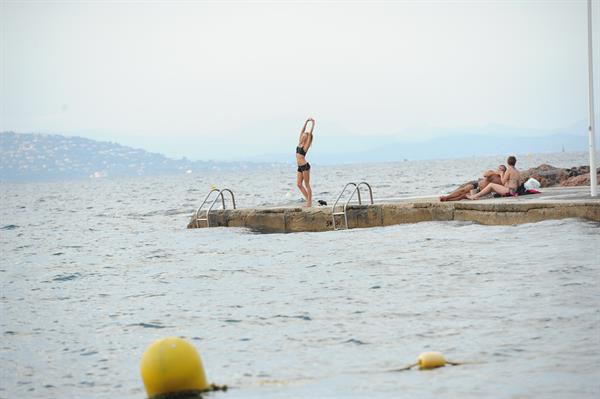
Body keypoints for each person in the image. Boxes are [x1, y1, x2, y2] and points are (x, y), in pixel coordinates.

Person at [440, 165, 505, 202]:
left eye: (501, 169)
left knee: (462, 196)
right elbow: (485, 175)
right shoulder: (492, 173)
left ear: (504, 171)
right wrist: (495, 173)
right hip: (477, 185)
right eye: (498, 168)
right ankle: (447, 197)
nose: (499, 170)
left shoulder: (502, 179)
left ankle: (448, 199)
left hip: (482, 192)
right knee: (463, 190)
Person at [296, 117, 315, 207]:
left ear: (307, 138)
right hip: (299, 167)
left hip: (305, 166)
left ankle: (309, 203)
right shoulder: (299, 143)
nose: (304, 135)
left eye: (305, 135)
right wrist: (306, 122)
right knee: (299, 184)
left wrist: (312, 124)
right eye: (303, 134)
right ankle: (309, 201)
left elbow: (310, 133)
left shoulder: (305, 146)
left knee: (307, 184)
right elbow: (302, 130)